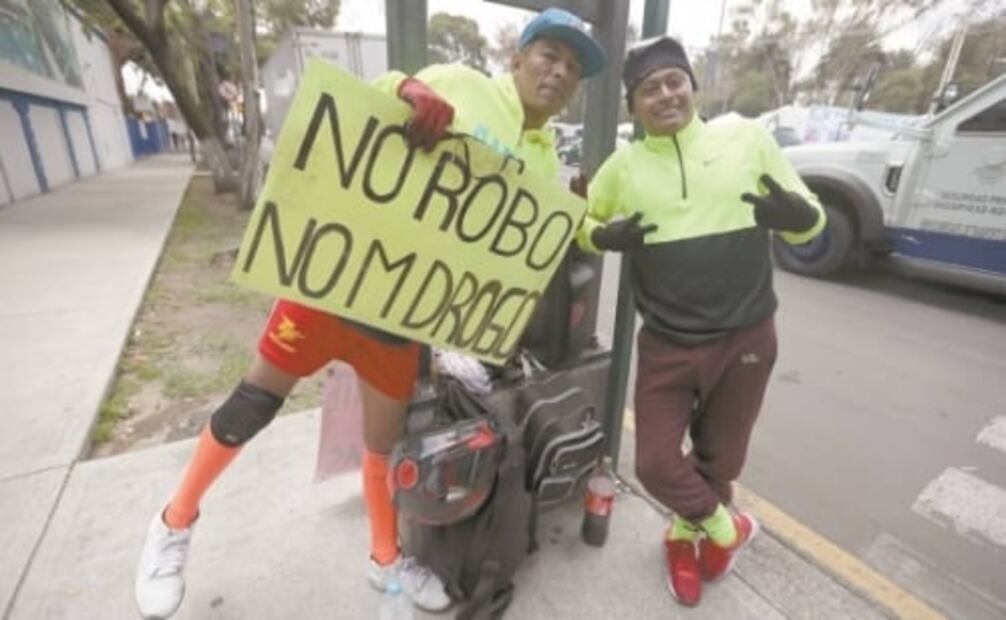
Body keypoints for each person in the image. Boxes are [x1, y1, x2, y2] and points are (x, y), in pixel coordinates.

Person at [134, 9, 606, 619]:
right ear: (516, 58)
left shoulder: (546, 162)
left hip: (404, 314)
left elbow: (522, 252)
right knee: (252, 405)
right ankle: (172, 524)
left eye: (573, 69)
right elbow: (375, 100)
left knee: (383, 448)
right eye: (549, 56)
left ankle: (386, 564)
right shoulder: (462, 83)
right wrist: (410, 93)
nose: (559, 72)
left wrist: (577, 224)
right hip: (334, 282)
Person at [576, 36, 826, 607]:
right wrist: (601, 235)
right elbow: (581, 221)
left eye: (673, 81)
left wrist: (800, 218)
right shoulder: (625, 165)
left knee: (720, 461)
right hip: (667, 343)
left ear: (692, 85)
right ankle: (724, 527)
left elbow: (808, 221)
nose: (664, 95)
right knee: (657, 462)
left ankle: (683, 540)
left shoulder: (747, 140)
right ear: (633, 106)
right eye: (648, 89)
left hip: (747, 337)